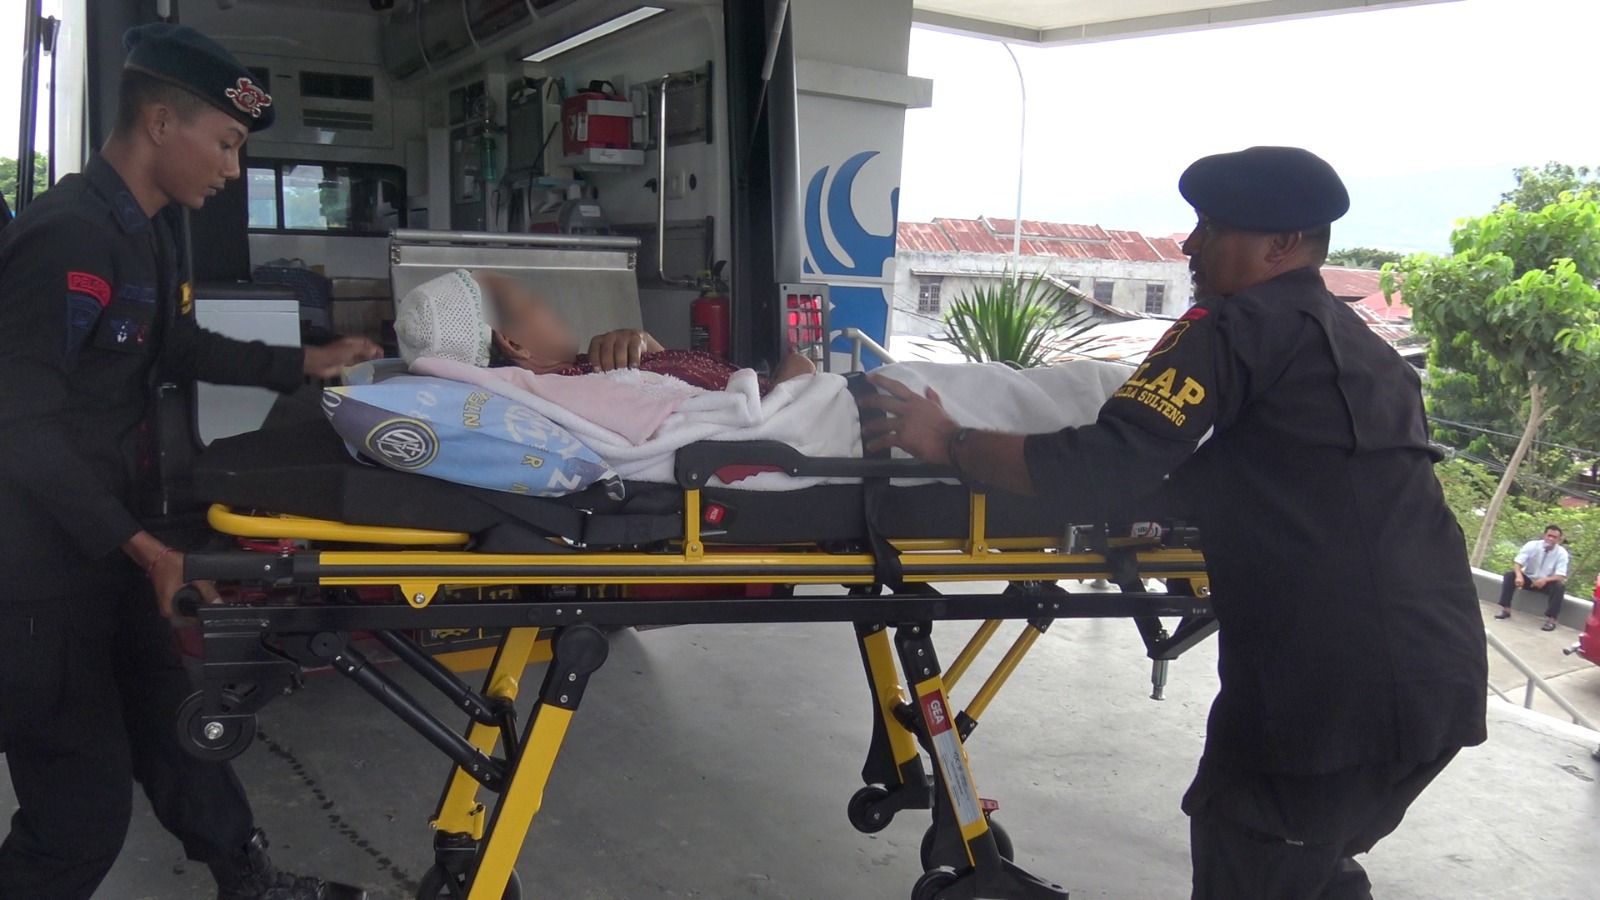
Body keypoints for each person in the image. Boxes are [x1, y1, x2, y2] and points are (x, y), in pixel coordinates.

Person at [859, 146, 1488, 899]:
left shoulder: (1231, 327)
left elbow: (1102, 468)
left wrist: (950, 442)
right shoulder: (1369, 351)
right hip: (1438, 674)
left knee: (1255, 852)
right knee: (1310, 861)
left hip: (1324, 692)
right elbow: (1287, 479)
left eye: (1211, 228)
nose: (1190, 245)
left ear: (1281, 244)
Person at [0, 24, 379, 900]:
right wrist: (147, 551)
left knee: (182, 731)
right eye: (228, 142)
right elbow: (19, 428)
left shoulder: (153, 228)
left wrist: (306, 360)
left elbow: (175, 344)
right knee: (78, 822)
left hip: (108, 541)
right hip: (37, 573)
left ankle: (249, 881)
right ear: (162, 123)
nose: (233, 169)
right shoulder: (67, 238)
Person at [395, 267, 816, 392]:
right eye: (529, 300)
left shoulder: (588, 370)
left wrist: (648, 345)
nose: (546, 301)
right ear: (513, 342)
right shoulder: (585, 391)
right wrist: (796, 374)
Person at [1494, 524, 1570, 631]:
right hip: (1529, 579)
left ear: (1559, 540)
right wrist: (1519, 576)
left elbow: (1561, 575)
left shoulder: (1562, 553)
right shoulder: (1532, 545)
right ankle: (1506, 609)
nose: (1551, 539)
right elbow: (1518, 562)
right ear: (1544, 535)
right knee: (1509, 576)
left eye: (1554, 537)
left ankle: (1551, 620)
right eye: (1549, 535)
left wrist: (1544, 580)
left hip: (1546, 583)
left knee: (1559, 587)